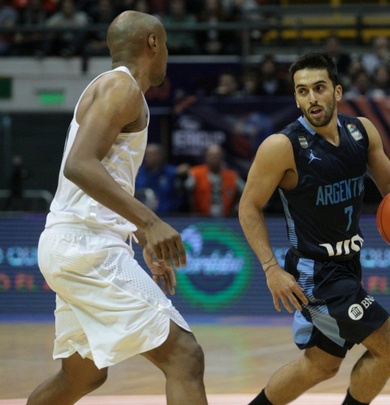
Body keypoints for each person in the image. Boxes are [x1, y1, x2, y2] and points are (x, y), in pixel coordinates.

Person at [238, 52, 390, 405]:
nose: (311, 98)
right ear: (296, 98)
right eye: (302, 91)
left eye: (319, 88)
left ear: (337, 91)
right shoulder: (282, 146)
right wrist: (271, 268)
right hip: (316, 272)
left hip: (348, 265)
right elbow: (248, 206)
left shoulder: (360, 131)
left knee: (320, 365)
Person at [27, 11, 207, 405]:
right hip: (86, 246)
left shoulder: (115, 88)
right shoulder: (121, 87)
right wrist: (151, 221)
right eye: (166, 46)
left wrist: (139, 233)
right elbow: (80, 164)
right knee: (185, 356)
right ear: (153, 43)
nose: (167, 55)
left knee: (82, 375)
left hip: (71, 243)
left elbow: (100, 178)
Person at [188, 144, 245, 217]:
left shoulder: (232, 176)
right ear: (206, 157)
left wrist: (237, 206)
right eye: (211, 155)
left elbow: (246, 191)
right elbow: (185, 188)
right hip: (201, 217)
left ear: (222, 158)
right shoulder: (195, 173)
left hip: (226, 218)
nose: (214, 158)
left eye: (217, 155)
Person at [135, 143, 190, 214]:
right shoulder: (138, 173)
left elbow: (184, 169)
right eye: (146, 155)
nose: (147, 158)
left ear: (160, 156)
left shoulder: (169, 172)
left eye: (151, 155)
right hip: (144, 214)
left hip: (169, 215)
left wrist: (183, 170)